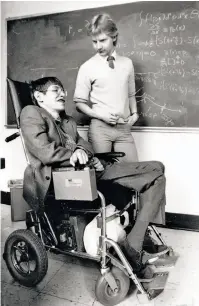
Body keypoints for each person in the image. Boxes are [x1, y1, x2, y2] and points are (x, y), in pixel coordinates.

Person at [20, 77, 168, 276]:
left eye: (63, 89)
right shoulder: (31, 113)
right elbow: (44, 151)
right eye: (56, 90)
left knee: (158, 169)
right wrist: (74, 155)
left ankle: (138, 237)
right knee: (156, 176)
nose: (63, 94)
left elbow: (85, 144)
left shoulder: (68, 121)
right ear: (39, 96)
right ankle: (135, 244)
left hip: (90, 171)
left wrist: (87, 154)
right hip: (63, 179)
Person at [73, 13, 139, 163]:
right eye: (94, 42)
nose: (98, 46)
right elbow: (79, 103)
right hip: (100, 129)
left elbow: (130, 94)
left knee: (133, 172)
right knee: (101, 175)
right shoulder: (87, 67)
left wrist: (134, 114)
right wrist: (101, 116)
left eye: (103, 40)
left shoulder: (127, 63)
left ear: (114, 36)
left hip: (123, 129)